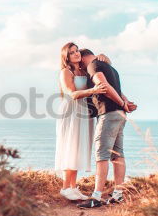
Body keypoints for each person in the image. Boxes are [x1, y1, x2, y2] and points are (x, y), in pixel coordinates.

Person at [77, 49, 137, 207]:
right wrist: (125, 103)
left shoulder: (92, 65)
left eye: (80, 64)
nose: (81, 68)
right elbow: (117, 89)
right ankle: (118, 194)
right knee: (117, 155)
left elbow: (103, 85)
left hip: (109, 113)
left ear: (84, 58)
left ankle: (96, 197)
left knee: (102, 154)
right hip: (119, 114)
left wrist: (123, 103)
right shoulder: (111, 68)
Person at [54, 42, 107, 201]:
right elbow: (71, 93)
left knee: (78, 148)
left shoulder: (84, 69)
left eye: (77, 51)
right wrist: (93, 90)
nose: (76, 54)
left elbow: (103, 70)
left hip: (84, 112)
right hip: (71, 111)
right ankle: (65, 188)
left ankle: (72, 187)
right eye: (72, 52)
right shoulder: (65, 72)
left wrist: (104, 58)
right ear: (66, 56)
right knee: (70, 147)